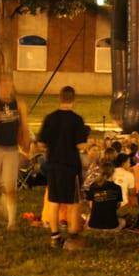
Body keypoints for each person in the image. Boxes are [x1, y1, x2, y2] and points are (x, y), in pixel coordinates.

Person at [38, 86, 89, 248]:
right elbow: (80, 145)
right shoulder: (76, 120)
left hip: (53, 165)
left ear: (59, 98)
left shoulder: (50, 118)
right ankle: (73, 235)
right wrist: (89, 143)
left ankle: (55, 236)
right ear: (73, 99)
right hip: (70, 166)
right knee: (73, 202)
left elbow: (41, 143)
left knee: (54, 201)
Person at [0, 73, 30, 229]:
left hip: (11, 149)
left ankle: (11, 221)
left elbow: (24, 126)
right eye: (4, 84)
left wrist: (26, 144)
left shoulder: (19, 103)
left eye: (9, 84)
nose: (7, 87)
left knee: (10, 187)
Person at [85, 162, 125, 231]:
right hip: (112, 225)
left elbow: (91, 205)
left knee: (88, 216)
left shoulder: (93, 186)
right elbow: (118, 205)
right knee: (123, 221)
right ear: (112, 173)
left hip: (93, 224)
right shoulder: (117, 187)